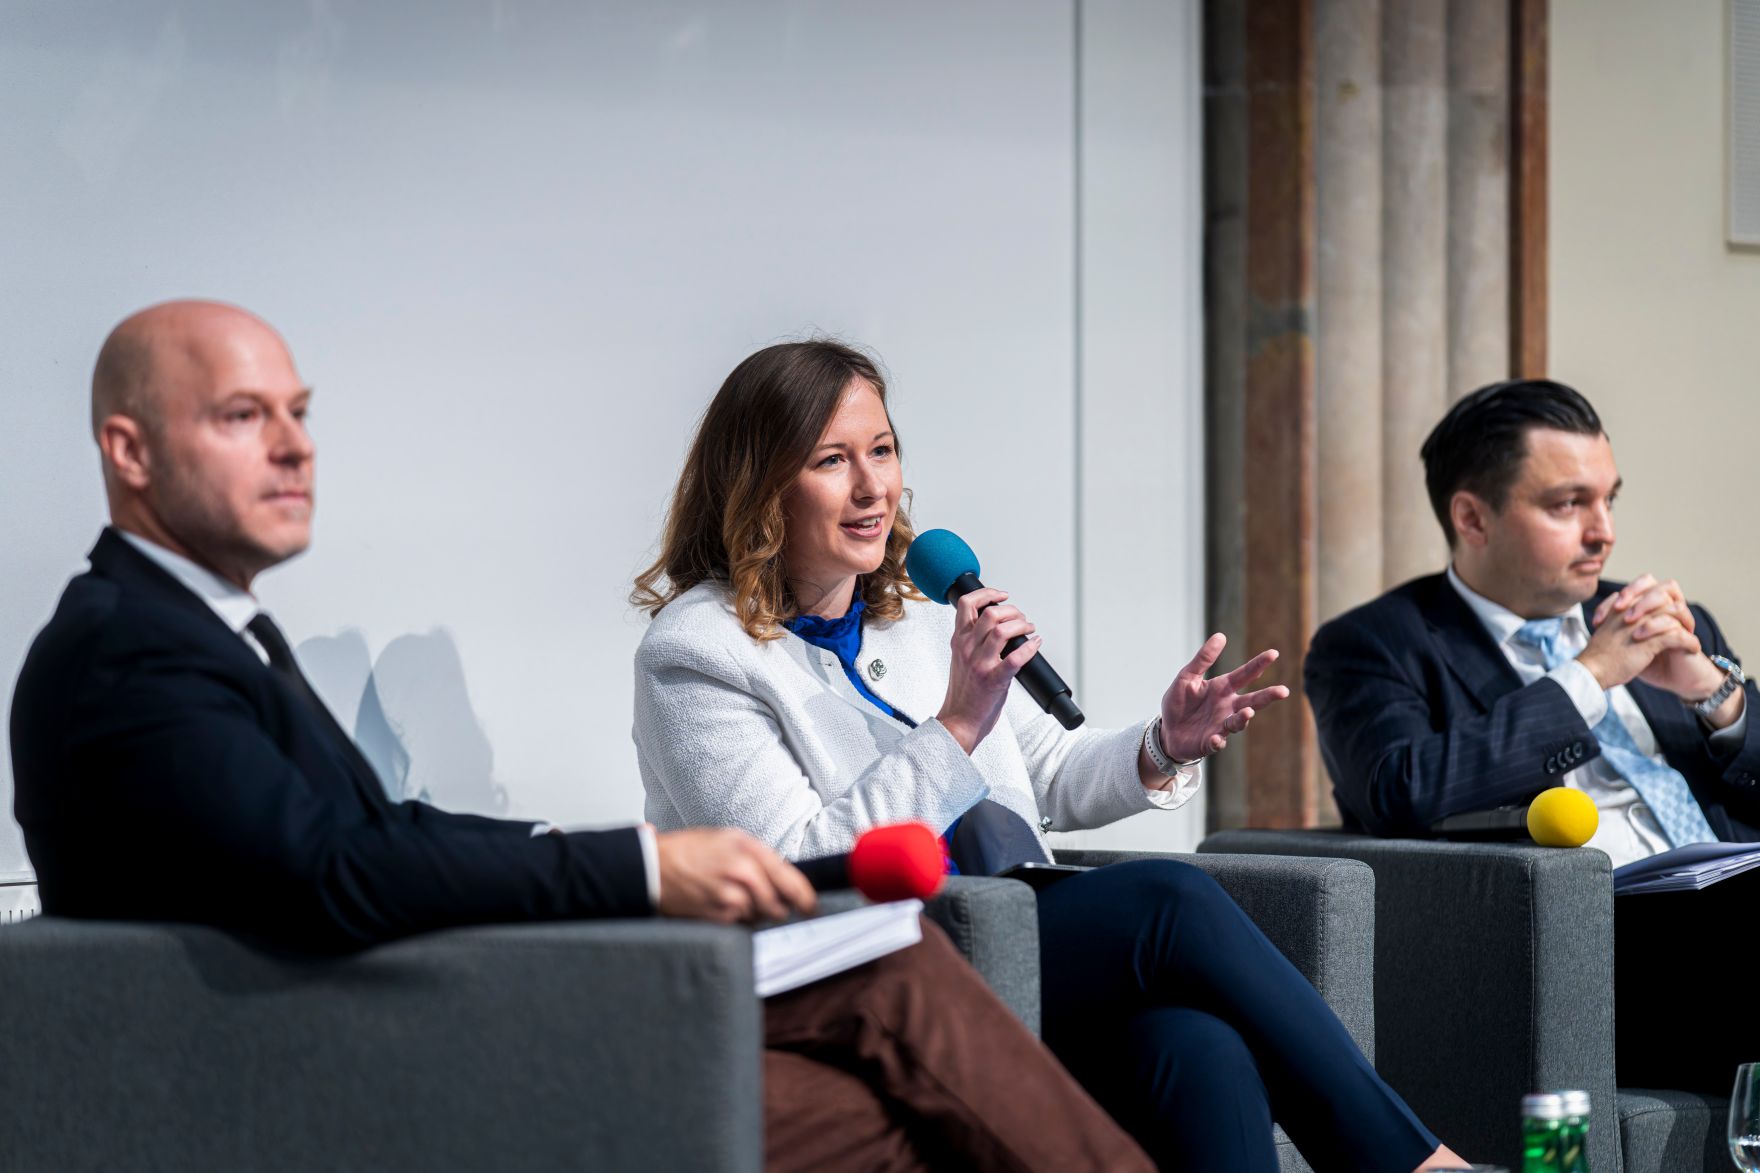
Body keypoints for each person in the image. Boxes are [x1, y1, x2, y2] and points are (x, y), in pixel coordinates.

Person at [8, 300, 1154, 1173]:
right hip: (321, 1072)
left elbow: (371, 832)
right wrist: (640, 868)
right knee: (891, 979)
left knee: (890, 1110)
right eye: (242, 418)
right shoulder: (130, 653)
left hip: (383, 1023)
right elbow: (332, 874)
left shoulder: (203, 631)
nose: (295, 449)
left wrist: (575, 849)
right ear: (131, 452)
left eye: (299, 415)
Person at [631, 338, 1465, 1172]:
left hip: (1002, 932)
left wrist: (1162, 744)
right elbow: (790, 866)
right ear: (760, 484)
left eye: (882, 450)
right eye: (830, 460)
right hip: (855, 966)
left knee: (1197, 1046)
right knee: (1169, 897)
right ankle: (1413, 1164)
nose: (871, 486)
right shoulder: (698, 652)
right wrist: (956, 725)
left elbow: (1055, 777)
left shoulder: (922, 623)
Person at [1304, 377, 1760, 1090]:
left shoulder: (1662, 621)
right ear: (1473, 518)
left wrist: (1714, 694)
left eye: (1609, 499)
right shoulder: (1375, 644)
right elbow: (1401, 790)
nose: (1603, 530)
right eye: (1567, 503)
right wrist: (1586, 677)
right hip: (1595, 950)